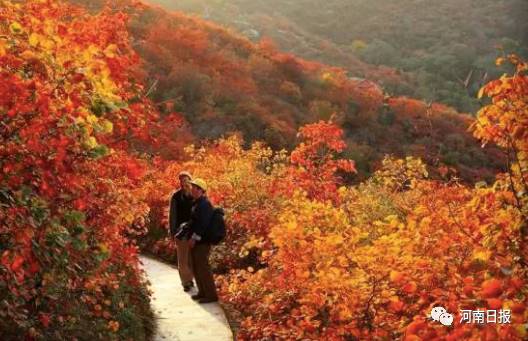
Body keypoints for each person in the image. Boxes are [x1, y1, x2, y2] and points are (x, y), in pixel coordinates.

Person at [187, 178, 218, 303]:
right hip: (196, 241)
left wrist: (194, 238)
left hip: (202, 242)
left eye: (194, 187)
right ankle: (202, 292)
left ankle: (211, 295)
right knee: (196, 266)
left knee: (203, 268)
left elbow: (203, 225)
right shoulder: (197, 203)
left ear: (200, 190)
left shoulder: (205, 204)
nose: (192, 189)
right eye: (192, 187)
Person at [168, 171, 195, 292]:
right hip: (181, 232)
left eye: (187, 179)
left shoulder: (196, 195)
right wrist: (173, 232)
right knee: (182, 259)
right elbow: (172, 215)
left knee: (191, 258)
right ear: (180, 182)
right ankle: (186, 283)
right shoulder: (176, 196)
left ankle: (190, 279)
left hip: (194, 232)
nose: (185, 182)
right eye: (182, 180)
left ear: (190, 180)